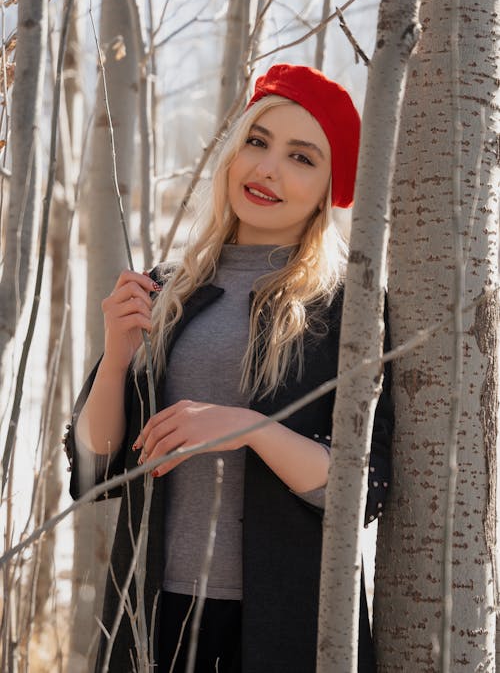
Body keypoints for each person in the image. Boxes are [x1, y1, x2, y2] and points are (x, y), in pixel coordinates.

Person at [64, 64, 393, 673]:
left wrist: (249, 428)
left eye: (301, 157)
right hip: (153, 613)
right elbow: (93, 468)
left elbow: (363, 486)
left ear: (330, 187)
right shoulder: (167, 289)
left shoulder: (348, 308)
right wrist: (115, 358)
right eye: (258, 142)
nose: (267, 168)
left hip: (290, 622)